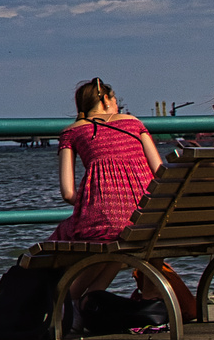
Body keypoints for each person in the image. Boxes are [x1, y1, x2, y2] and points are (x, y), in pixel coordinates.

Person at [53, 78, 164, 308]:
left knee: (92, 232)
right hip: (147, 220)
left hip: (105, 224)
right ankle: (88, 301)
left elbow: (67, 192)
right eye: (115, 100)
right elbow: (160, 172)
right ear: (105, 99)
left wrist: (89, 201)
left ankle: (66, 301)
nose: (117, 106)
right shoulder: (134, 123)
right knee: (118, 238)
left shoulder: (72, 132)